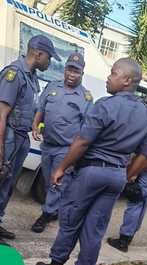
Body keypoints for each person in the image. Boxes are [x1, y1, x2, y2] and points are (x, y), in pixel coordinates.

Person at [35, 58, 147, 265]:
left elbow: (82, 142)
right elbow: (146, 154)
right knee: (95, 228)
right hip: (116, 176)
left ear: (127, 81)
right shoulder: (146, 113)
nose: (109, 77)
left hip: (91, 172)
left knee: (71, 219)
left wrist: (61, 168)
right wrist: (126, 174)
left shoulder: (104, 105)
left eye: (113, 73)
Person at [0, 35, 60, 241]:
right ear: (38, 53)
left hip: (20, 138)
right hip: (8, 137)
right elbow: (1, 116)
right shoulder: (14, 74)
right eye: (49, 58)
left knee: (6, 184)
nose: (49, 62)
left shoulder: (32, 77)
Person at [30, 52, 93, 233]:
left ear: (82, 74)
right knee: (49, 180)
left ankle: (46, 214)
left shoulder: (86, 98)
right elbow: (41, 109)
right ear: (65, 69)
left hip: (66, 149)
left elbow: (87, 128)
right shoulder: (52, 87)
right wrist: (35, 124)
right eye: (69, 70)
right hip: (47, 145)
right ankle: (55, 208)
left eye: (76, 72)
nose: (72, 75)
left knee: (56, 183)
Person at [106, 105, 147, 252]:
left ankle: (123, 240)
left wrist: (132, 173)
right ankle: (130, 234)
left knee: (134, 200)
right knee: (142, 201)